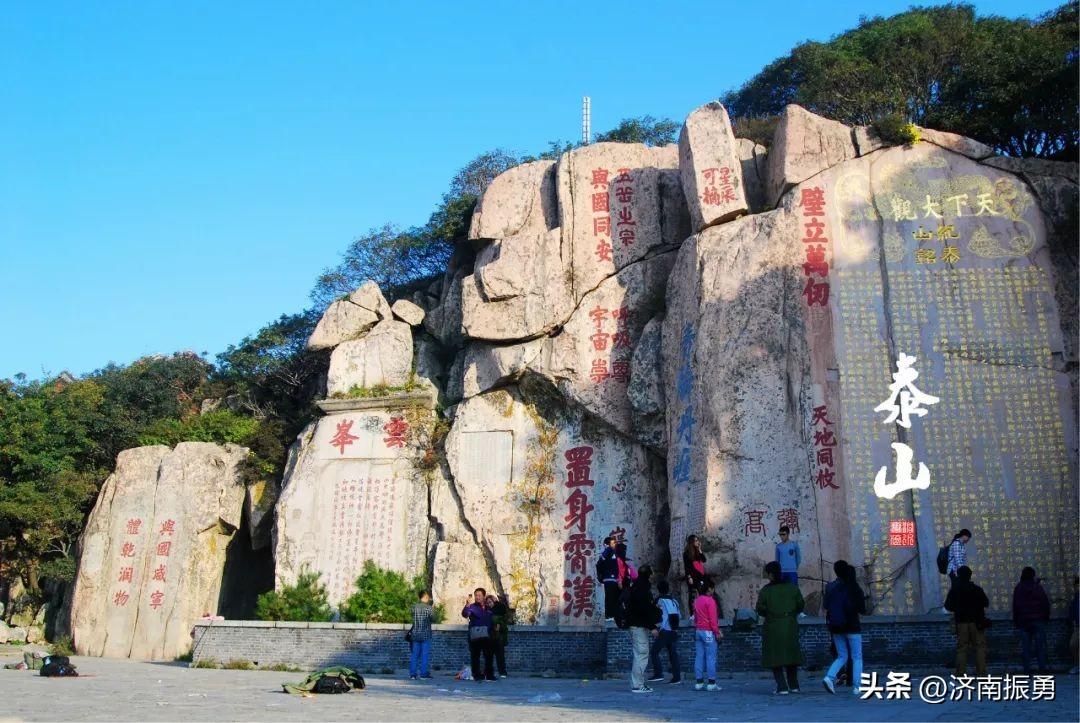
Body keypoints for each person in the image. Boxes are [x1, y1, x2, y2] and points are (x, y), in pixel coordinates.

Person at [756, 561, 804, 695]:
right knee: (791, 656)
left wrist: (770, 612)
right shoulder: (792, 588)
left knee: (775, 657)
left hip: (773, 625)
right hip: (790, 625)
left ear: (771, 574)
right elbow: (800, 604)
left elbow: (760, 608)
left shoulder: (766, 591)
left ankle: (782, 686)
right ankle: (794, 685)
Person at [821, 561, 866, 696]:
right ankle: (857, 686)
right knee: (857, 656)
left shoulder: (831, 587)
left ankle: (829, 677)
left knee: (842, 656)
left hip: (836, 627)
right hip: (852, 626)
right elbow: (862, 609)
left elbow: (826, 606)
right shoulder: (854, 588)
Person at [944, 565, 989, 676]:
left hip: (961, 622)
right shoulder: (977, 589)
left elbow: (948, 606)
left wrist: (958, 608)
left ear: (959, 576)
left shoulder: (955, 590)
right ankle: (981, 672)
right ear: (970, 576)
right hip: (977, 622)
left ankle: (960, 672)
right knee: (979, 647)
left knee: (962, 649)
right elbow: (986, 603)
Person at [626, 565, 660, 693]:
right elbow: (643, 609)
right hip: (638, 626)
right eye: (651, 574)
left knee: (639, 654)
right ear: (648, 574)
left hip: (635, 625)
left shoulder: (635, 585)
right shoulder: (642, 588)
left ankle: (637, 683)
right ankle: (638, 684)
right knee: (641, 654)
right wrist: (652, 626)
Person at [1012, 567, 1051, 674]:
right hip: (1037, 620)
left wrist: (1016, 621)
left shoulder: (1018, 588)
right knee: (1040, 647)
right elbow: (1045, 603)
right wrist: (1046, 617)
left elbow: (1015, 606)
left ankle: (1027, 670)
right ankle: (1042, 669)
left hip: (1023, 621)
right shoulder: (1037, 587)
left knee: (1026, 648)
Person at [648, 579, 682, 685]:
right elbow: (679, 616)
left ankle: (658, 674)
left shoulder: (659, 601)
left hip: (665, 630)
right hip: (674, 630)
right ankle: (677, 677)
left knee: (654, 652)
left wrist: (657, 627)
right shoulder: (674, 601)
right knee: (673, 654)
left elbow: (658, 616)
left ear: (658, 589)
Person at [693, 577, 722, 691]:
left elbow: (695, 617)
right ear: (710, 588)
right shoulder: (710, 601)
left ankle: (699, 682)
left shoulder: (697, 600)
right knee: (710, 657)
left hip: (698, 631)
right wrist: (717, 631)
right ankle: (711, 682)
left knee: (699, 657)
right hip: (709, 632)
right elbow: (713, 619)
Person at [461, 587, 496, 682]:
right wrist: (467, 605)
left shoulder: (489, 607)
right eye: (476, 595)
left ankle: (489, 675)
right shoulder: (472, 607)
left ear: (484, 596)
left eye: (479, 595)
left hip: (487, 635)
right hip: (475, 636)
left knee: (489, 656)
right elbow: (465, 614)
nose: (477, 597)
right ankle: (476, 675)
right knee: (475, 656)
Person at [408, 590, 434, 680]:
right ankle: (423, 674)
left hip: (415, 634)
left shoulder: (414, 607)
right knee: (424, 655)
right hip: (426, 634)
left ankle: (412, 674)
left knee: (414, 655)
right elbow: (433, 618)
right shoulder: (429, 608)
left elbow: (411, 615)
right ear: (425, 596)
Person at [486, 592, 511, 678]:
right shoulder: (488, 612)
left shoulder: (500, 610)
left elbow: (504, 624)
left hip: (498, 637)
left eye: (490, 602)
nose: (489, 604)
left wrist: (498, 625)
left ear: (493, 601)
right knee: (489, 656)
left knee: (500, 656)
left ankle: (503, 672)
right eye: (488, 603)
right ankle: (490, 672)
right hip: (490, 636)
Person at [597, 536, 620, 620]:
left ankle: (611, 614)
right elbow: (601, 562)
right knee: (611, 597)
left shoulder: (613, 551)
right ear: (607, 544)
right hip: (610, 578)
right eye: (613, 543)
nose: (615, 544)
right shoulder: (609, 550)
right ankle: (609, 615)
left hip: (611, 578)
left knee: (611, 596)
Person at [682, 535, 707, 600]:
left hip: (700, 576)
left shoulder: (698, 551)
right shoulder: (686, 553)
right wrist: (689, 577)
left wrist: (700, 549)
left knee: (702, 593)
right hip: (692, 577)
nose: (697, 542)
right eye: (696, 541)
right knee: (694, 596)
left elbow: (704, 560)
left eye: (697, 540)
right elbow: (686, 567)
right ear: (691, 542)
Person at [1069, 575, 1079, 675]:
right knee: (1073, 645)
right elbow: (1072, 611)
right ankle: (1077, 665)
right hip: (1078, 626)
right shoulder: (1075, 598)